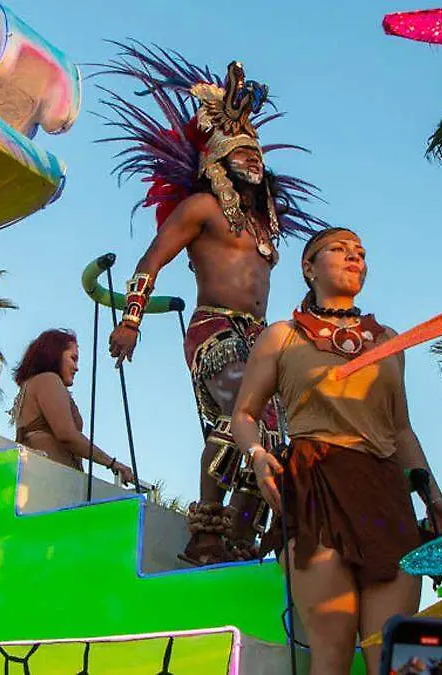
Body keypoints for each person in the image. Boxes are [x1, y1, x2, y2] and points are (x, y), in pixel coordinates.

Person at [98, 47, 328, 565]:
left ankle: (240, 542)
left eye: (256, 154)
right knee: (239, 417)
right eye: (239, 154)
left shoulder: (265, 227)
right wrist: (131, 320)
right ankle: (204, 531)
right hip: (214, 328)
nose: (252, 159)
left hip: (263, 336)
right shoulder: (201, 208)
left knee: (271, 430)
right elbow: (151, 259)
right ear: (216, 162)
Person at [230, 228, 442, 675]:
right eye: (340, 249)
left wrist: (433, 496)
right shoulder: (282, 335)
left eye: (360, 252)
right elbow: (244, 413)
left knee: (394, 654)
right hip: (316, 487)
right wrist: (258, 455)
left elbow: (402, 430)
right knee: (332, 650)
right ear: (308, 267)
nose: (354, 257)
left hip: (384, 493)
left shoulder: (389, 340)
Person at [11, 329, 135, 485]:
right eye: (73, 358)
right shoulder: (48, 380)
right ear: (54, 354)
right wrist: (112, 463)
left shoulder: (32, 385)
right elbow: (66, 434)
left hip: (38, 481)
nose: (76, 367)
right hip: (49, 485)